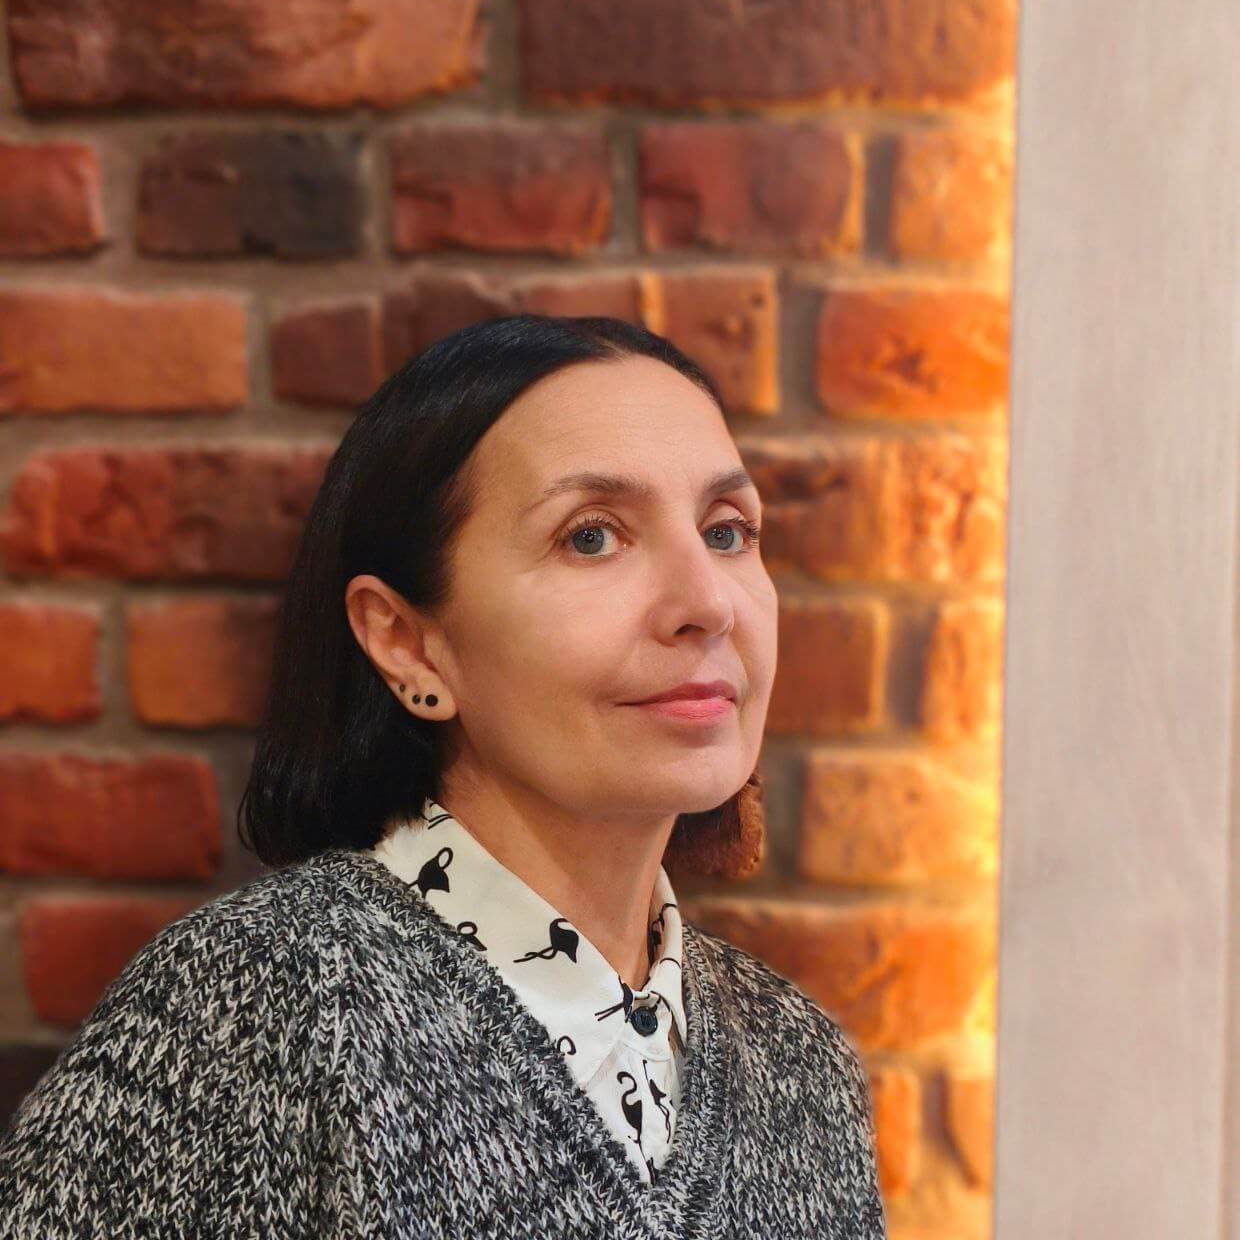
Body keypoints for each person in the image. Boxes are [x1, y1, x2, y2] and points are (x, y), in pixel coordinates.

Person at [0, 315, 887, 1238]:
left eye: (727, 531)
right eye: (592, 537)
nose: (707, 602)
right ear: (407, 643)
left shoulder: (803, 1070)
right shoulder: (261, 1008)